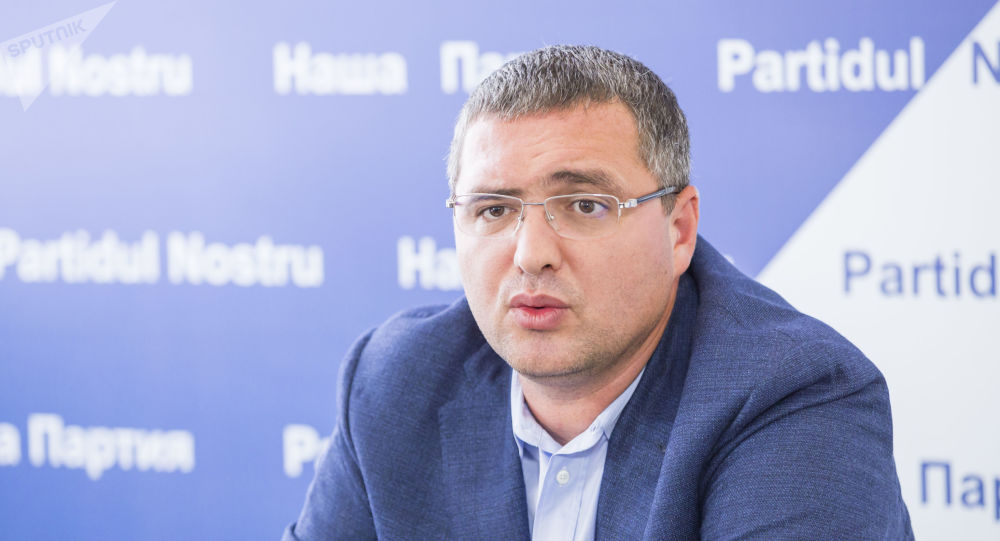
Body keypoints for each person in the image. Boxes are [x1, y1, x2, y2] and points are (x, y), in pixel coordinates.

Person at [283, 45, 913, 540]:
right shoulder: (395, 382)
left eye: (584, 204)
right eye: (494, 209)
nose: (530, 254)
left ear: (679, 230)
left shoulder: (794, 394)